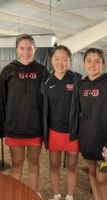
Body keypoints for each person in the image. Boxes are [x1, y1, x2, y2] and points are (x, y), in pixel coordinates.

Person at [0, 34, 49, 193]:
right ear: (16, 49)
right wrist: (2, 127)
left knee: (33, 162)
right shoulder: (8, 70)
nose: (25, 52)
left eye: (29, 48)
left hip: (35, 126)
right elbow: (3, 100)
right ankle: (15, 194)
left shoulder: (42, 70)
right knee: (17, 164)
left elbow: (47, 101)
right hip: (15, 127)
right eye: (22, 48)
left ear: (35, 49)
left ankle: (33, 193)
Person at [79, 48, 107, 200]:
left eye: (97, 61)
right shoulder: (82, 85)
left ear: (103, 64)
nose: (92, 65)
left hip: (106, 145)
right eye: (89, 61)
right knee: (91, 173)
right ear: (83, 63)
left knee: (103, 177)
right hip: (87, 141)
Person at [42, 45, 81, 200]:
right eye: (57, 59)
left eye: (64, 59)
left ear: (70, 61)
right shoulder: (46, 82)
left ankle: (70, 196)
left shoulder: (77, 79)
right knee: (54, 166)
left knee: (72, 167)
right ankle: (57, 195)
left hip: (73, 132)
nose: (60, 62)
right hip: (54, 132)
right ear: (51, 60)